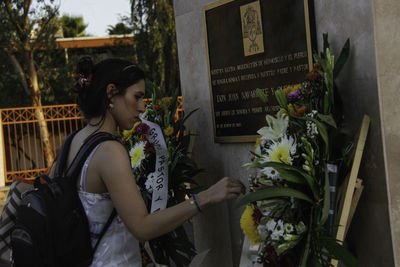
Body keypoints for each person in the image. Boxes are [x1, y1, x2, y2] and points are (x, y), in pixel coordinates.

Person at [50, 57, 245, 266]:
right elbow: (142, 227)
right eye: (138, 97)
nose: (143, 108)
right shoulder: (110, 151)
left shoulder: (70, 142)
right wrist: (206, 197)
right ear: (111, 93)